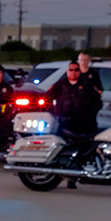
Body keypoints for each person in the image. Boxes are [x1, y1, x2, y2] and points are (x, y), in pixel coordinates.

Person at [45, 60, 102, 189]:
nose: (74, 72)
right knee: (63, 149)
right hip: (65, 122)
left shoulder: (87, 84)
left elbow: (97, 103)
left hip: (85, 124)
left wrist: (89, 115)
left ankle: (74, 178)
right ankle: (59, 173)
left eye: (76, 70)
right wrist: (53, 114)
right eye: (71, 70)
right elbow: (46, 98)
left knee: (84, 150)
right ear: (67, 71)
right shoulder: (60, 84)